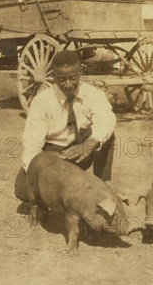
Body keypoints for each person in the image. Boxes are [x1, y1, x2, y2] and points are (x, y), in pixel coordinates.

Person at [14, 50, 116, 202]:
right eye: (61, 80)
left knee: (106, 135)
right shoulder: (42, 102)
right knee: (23, 190)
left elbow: (106, 119)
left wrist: (90, 143)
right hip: (53, 157)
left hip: (82, 151)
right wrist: (45, 175)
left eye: (73, 78)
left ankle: (103, 187)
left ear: (80, 73)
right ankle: (65, 192)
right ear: (53, 77)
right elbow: (32, 147)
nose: (68, 84)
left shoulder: (93, 94)